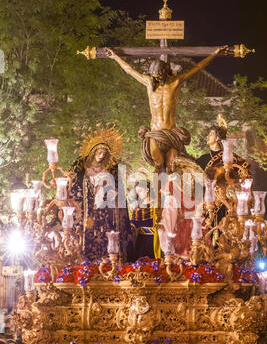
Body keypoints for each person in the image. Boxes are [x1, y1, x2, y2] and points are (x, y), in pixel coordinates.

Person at [106, 46, 229, 171]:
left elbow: (197, 68)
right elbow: (129, 70)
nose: (156, 79)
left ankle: (171, 190)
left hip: (171, 134)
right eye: (154, 77)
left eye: (158, 77)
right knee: (158, 164)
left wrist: (214, 53)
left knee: (171, 167)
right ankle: (155, 190)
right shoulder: (149, 83)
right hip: (155, 133)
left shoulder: (175, 82)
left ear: (165, 73)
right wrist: (115, 57)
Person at [70, 126, 133, 262]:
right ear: (93, 151)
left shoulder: (111, 169)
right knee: (87, 243)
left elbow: (119, 193)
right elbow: (74, 191)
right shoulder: (82, 169)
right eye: (99, 152)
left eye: (105, 153)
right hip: (87, 214)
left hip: (107, 215)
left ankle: (111, 262)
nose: (102, 155)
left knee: (108, 242)